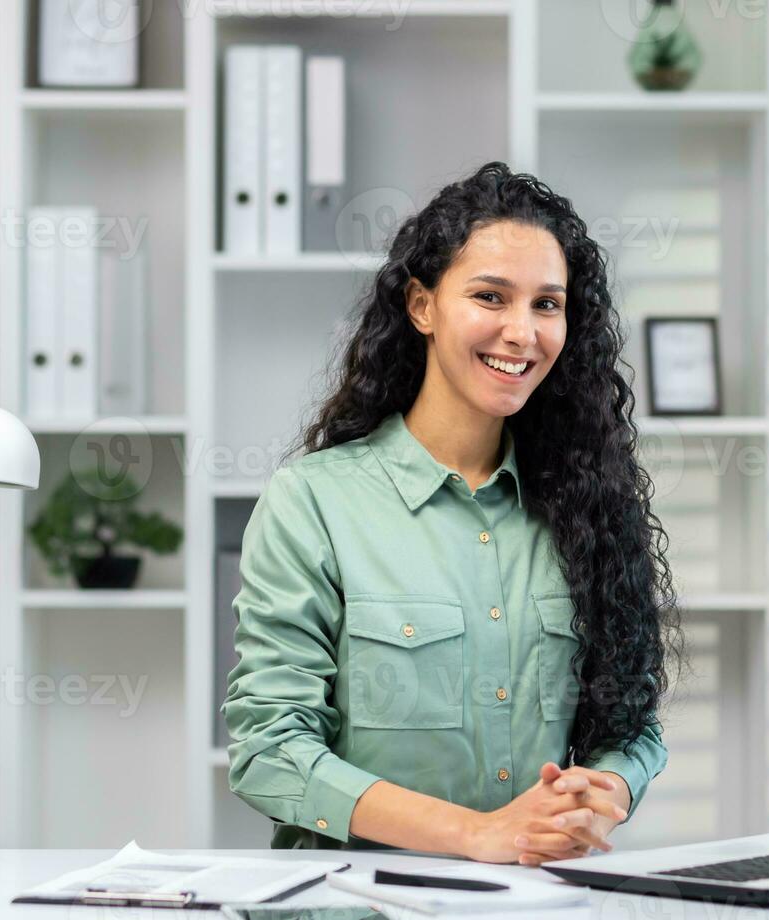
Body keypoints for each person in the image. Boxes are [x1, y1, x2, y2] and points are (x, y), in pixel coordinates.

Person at [224, 161, 682, 865]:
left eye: (547, 305)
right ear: (422, 306)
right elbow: (270, 751)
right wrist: (477, 833)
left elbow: (631, 727)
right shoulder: (314, 502)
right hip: (356, 914)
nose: (522, 333)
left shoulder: (585, 503)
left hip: (534, 909)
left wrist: (604, 789)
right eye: (491, 297)